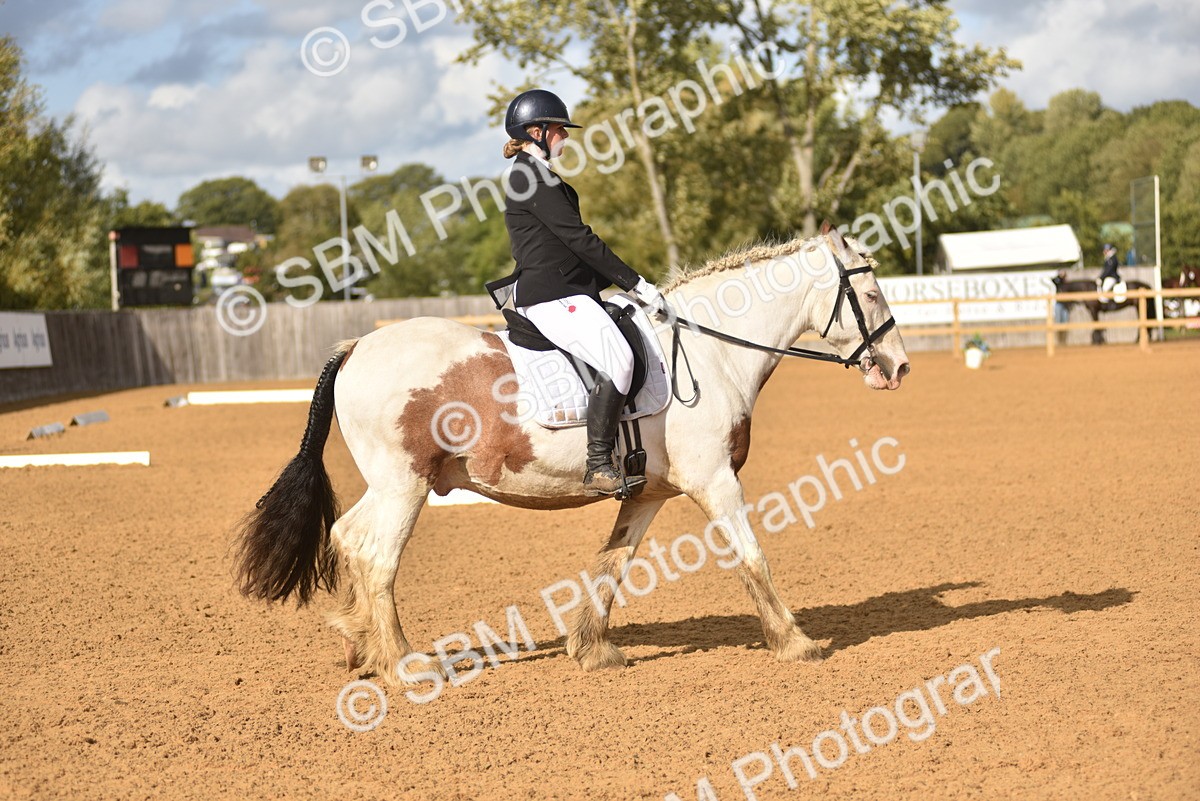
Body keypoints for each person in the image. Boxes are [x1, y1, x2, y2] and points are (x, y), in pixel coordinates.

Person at [497, 89, 667, 496]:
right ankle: (598, 463)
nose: (565, 137)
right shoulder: (528, 176)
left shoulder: (537, 174)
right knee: (621, 361)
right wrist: (636, 283)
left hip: (565, 289)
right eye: (558, 130)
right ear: (535, 132)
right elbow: (580, 240)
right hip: (551, 294)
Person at [1099, 243, 1121, 310]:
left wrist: (1101, 278)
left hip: (1112, 277)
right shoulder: (1108, 258)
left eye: (1106, 250)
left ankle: (1108, 304)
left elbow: (1109, 270)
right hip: (1109, 277)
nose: (1104, 252)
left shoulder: (1112, 258)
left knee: (1106, 287)